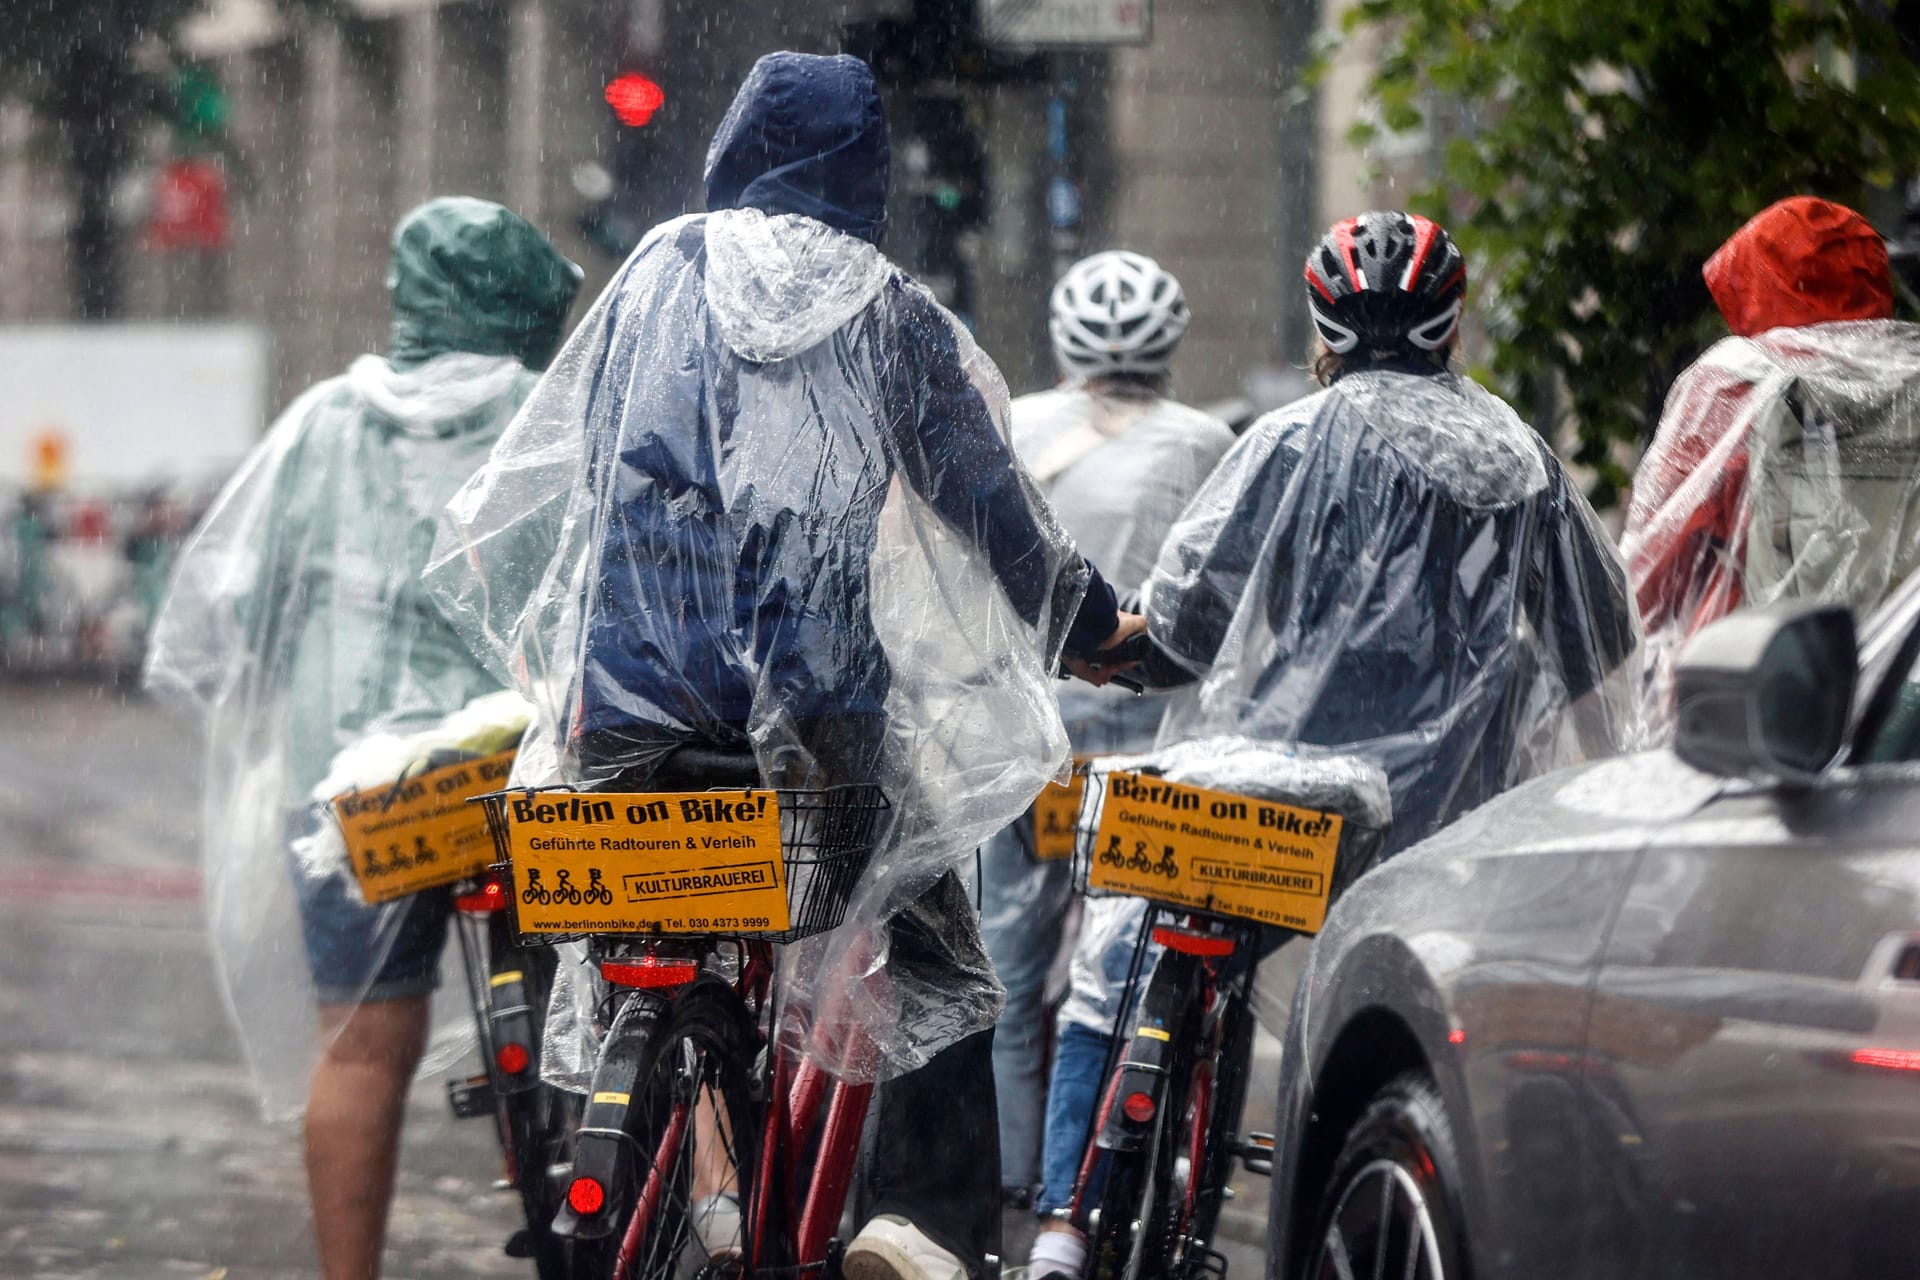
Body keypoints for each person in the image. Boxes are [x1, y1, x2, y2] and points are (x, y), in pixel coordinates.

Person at [424, 53, 1143, 1280]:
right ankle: (918, 1219)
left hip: (628, 724)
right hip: (815, 733)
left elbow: (582, 464)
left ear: (733, 151)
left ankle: (692, 1156)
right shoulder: (890, 312)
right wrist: (1087, 627)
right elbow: (988, 505)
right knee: (937, 952)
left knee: (654, 926)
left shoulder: (656, 276)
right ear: (867, 179)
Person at [1025, 210, 1641, 1280]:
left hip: (1261, 806)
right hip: (1431, 832)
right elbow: (1601, 647)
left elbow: (1182, 629)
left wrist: (1111, 655)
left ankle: (1063, 1229)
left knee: (1113, 971)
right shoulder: (1521, 459)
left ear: (1324, 326)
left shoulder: (1287, 439)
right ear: (1452, 329)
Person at [144, 197, 582, 1280]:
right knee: (583, 1015)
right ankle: (581, 1226)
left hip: (356, 797)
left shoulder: (324, 422)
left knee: (360, 1044)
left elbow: (244, 604)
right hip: (512, 767)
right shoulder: (544, 416)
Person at [977, 250, 1234, 1207]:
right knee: (1132, 963)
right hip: (1147, 743)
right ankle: (1113, 1173)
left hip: (1027, 742)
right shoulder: (1209, 441)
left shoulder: (1016, 424)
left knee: (1009, 965)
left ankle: (1011, 1182)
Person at [1621, 195, 1920, 734]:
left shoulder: (1733, 386)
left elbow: (1652, 570)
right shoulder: (1912, 384)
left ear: (1760, 283)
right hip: (1898, 700)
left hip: (1754, 694)